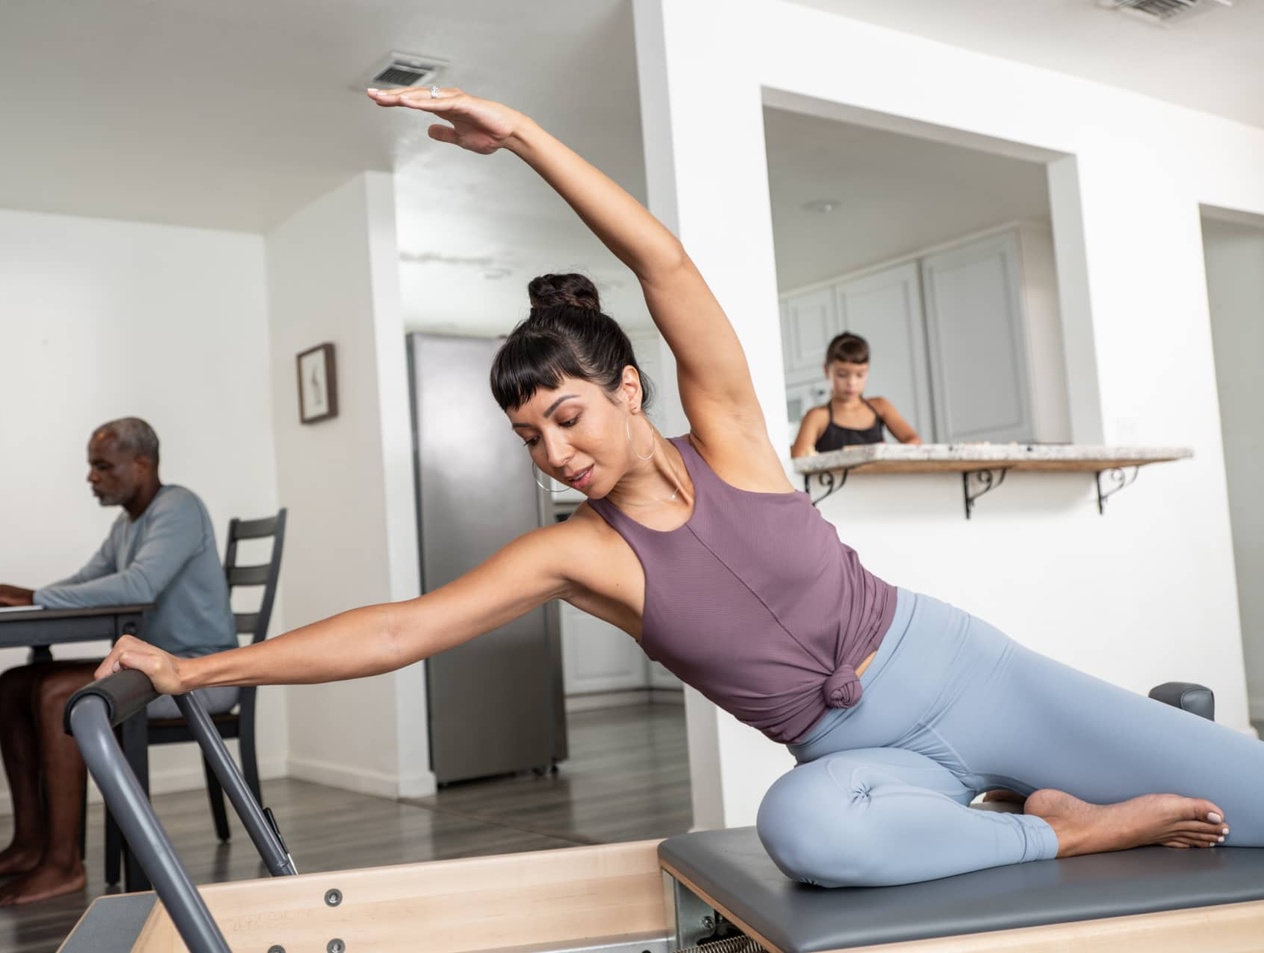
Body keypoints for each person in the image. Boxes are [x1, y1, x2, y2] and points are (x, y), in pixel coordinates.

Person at [98, 88, 1257, 889]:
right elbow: (403, 626)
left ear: (626, 387)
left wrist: (524, 134)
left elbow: (664, 264)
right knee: (803, 829)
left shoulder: (738, 438)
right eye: (526, 438)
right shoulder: (581, 555)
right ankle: (1060, 831)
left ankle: (1113, 758)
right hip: (859, 760)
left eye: (564, 415)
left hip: (960, 673)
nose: (552, 452)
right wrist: (197, 667)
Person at [0, 417, 238, 907]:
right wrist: (28, 598)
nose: (91, 477)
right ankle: (30, 846)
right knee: (13, 684)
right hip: (156, 668)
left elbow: (138, 587)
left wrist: (35, 595)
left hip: (197, 675)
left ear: (142, 464)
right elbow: (89, 581)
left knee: (57, 692)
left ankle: (64, 865)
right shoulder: (127, 524)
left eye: (102, 466)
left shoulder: (179, 508)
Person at [790, 332, 921, 457]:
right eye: (842, 375)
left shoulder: (880, 406)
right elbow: (799, 459)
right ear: (826, 370)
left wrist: (887, 452)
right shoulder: (817, 417)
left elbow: (914, 440)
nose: (851, 383)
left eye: (860, 375)